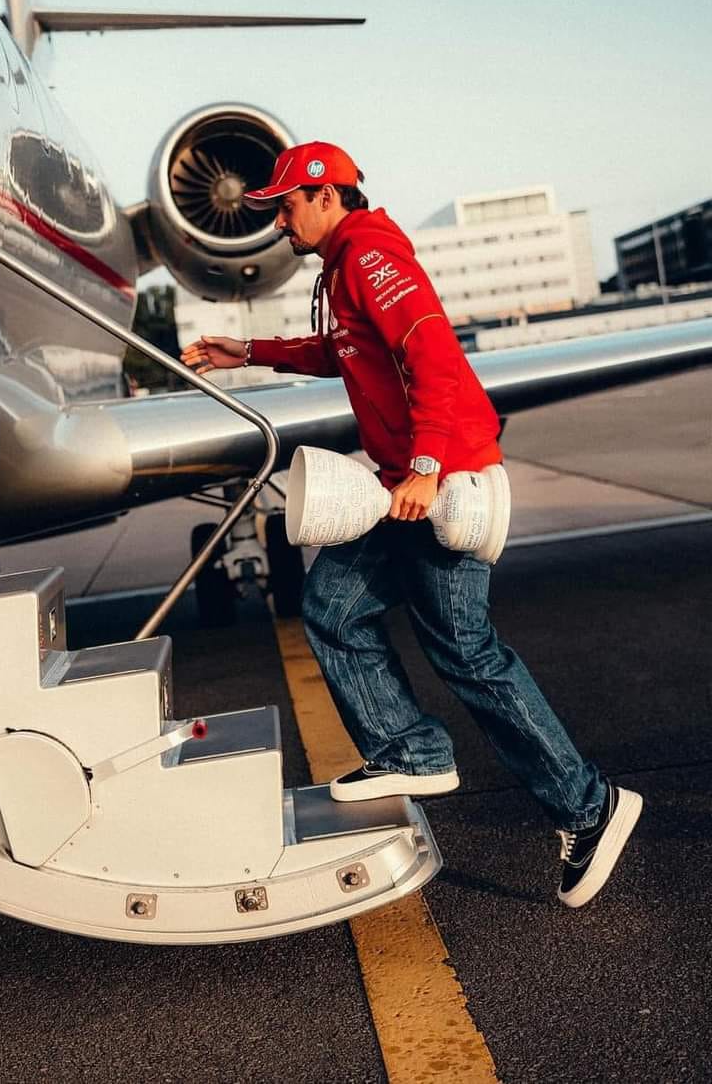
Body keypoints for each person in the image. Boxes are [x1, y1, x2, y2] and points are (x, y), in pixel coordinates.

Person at [180, 140, 641, 908]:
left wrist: (427, 466)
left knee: (466, 652)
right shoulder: (342, 267)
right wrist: (248, 351)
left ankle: (589, 810)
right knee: (330, 608)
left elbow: (427, 348)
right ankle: (411, 747)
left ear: (328, 196)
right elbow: (345, 352)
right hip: (402, 488)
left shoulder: (369, 253)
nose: (277, 223)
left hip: (441, 482)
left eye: (286, 206)